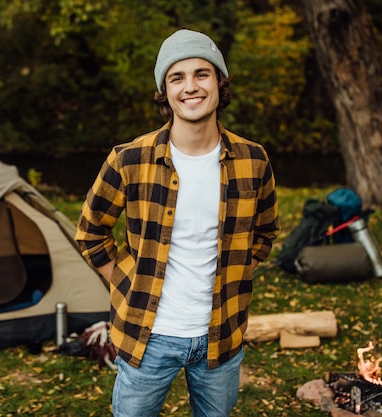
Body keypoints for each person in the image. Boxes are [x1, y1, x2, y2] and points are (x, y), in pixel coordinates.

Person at [75, 28, 279, 417]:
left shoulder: (253, 160)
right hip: (146, 335)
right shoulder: (129, 159)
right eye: (177, 77)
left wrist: (237, 271)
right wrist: (124, 281)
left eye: (202, 74)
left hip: (222, 334)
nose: (191, 87)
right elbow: (91, 232)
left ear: (219, 82)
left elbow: (265, 232)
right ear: (165, 91)